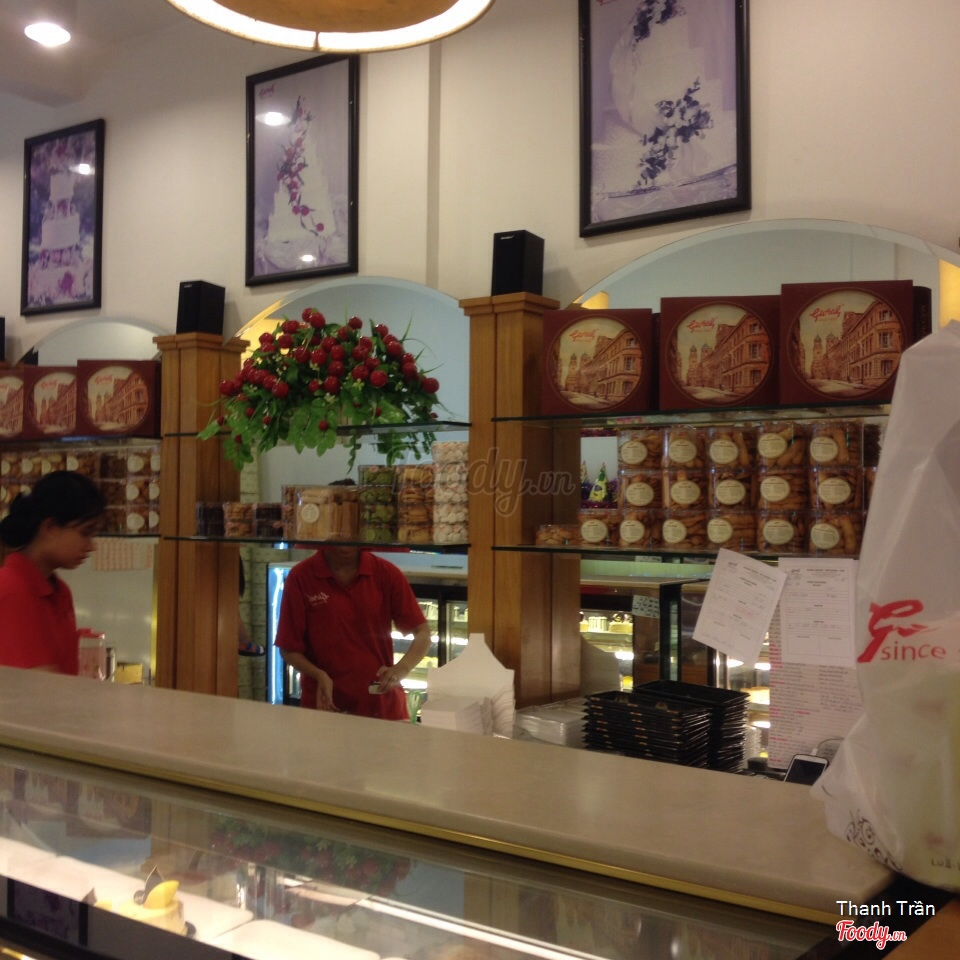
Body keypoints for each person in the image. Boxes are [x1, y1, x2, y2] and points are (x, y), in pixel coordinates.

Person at [276, 543, 431, 719]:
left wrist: (402, 669)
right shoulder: (301, 576)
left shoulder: (386, 572)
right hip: (324, 706)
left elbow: (423, 633)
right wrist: (318, 675)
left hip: (379, 703)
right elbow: (288, 648)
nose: (345, 539)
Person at [0, 470, 106, 674]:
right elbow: (39, 682)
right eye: (85, 533)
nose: (91, 546)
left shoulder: (59, 590)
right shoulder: (11, 590)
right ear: (50, 527)